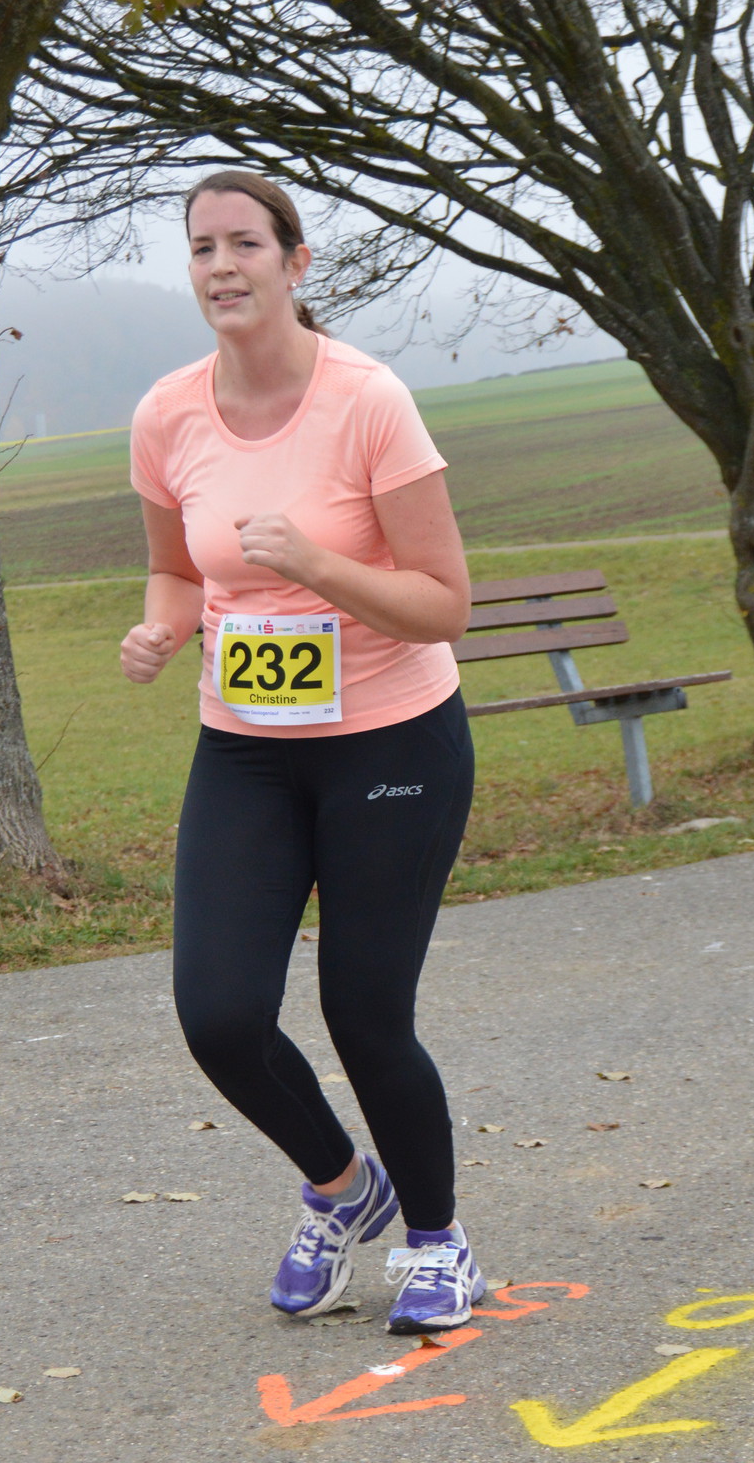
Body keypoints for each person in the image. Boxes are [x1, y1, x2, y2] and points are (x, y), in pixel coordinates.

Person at [119, 168, 486, 1332]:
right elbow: (176, 568)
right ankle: (340, 1187)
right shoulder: (167, 413)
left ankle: (437, 1241)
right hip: (246, 752)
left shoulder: (367, 401)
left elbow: (443, 603)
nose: (221, 267)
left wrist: (316, 565)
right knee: (219, 1012)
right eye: (201, 248)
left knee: (364, 1012)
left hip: (392, 742)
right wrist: (163, 626)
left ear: (293, 262)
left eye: (244, 244)